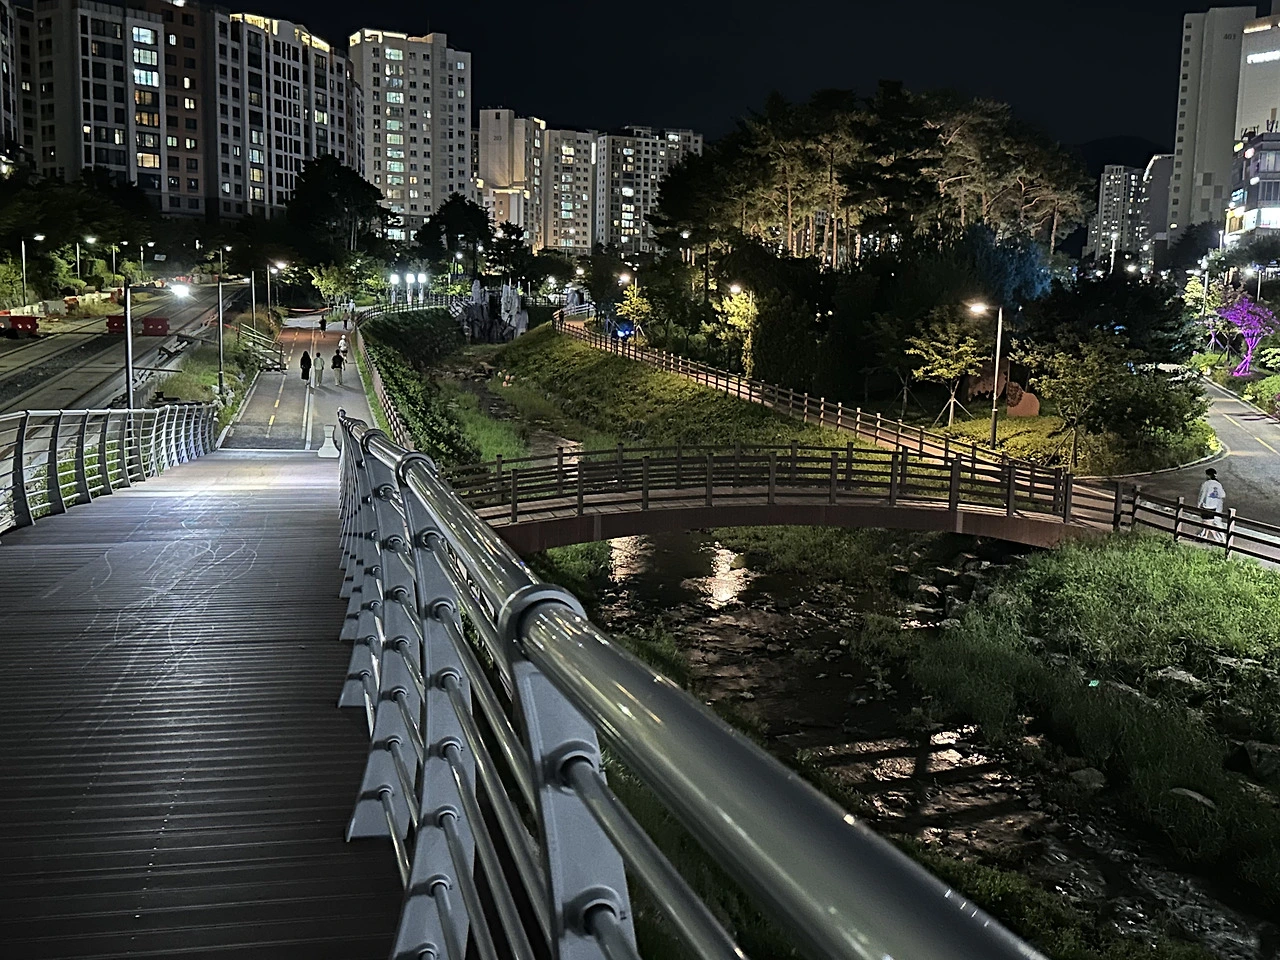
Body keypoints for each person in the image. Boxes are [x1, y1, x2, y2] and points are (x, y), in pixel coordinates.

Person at [1197, 467, 1226, 543]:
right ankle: (1205, 536)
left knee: (1206, 523)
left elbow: (1202, 495)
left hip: (1206, 505)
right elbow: (1223, 495)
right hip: (1214, 506)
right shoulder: (1218, 484)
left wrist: (1199, 504)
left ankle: (1216, 538)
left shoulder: (1206, 484)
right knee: (1209, 522)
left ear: (1208, 475)